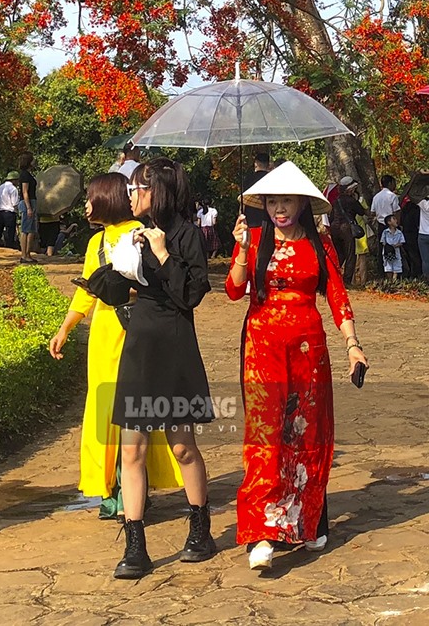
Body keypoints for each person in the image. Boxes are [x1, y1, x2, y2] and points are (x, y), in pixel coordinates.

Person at [226, 160, 369, 572]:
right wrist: (240, 251)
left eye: (287, 200)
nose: (279, 209)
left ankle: (307, 519)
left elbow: (337, 297)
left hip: (309, 347)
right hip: (262, 347)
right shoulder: (253, 238)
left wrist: (353, 346)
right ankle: (262, 532)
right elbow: (235, 291)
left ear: (303, 204)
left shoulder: (319, 245)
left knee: (306, 432)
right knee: (266, 433)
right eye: (272, 201)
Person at [49, 173, 182, 523]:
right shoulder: (96, 242)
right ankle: (108, 486)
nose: (87, 205)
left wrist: (123, 289)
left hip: (134, 329)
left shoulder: (140, 233)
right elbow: (87, 291)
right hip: (104, 333)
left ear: (108, 198)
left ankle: (132, 488)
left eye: (92, 198)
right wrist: (67, 326)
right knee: (105, 410)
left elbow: (152, 285)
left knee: (133, 412)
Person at [111, 159, 216, 577]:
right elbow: (126, 287)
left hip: (174, 341)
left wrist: (160, 252)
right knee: (131, 448)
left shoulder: (187, 235)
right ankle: (135, 545)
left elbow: (189, 295)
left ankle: (200, 528)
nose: (132, 195)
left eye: (139, 188)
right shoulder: (131, 235)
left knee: (181, 446)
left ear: (161, 191)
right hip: (139, 343)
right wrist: (114, 275)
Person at [371, 175, 400, 276]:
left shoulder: (376, 197)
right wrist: (398, 225)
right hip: (392, 226)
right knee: (395, 249)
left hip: (381, 226)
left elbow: (372, 212)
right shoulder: (392, 196)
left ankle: (382, 273)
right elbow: (396, 212)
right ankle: (395, 273)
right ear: (390, 183)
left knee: (382, 249)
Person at [17, 152, 38, 264]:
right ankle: (25, 254)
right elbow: (25, 192)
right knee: (26, 229)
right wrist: (28, 207)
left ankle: (27, 253)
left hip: (31, 202)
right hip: (27, 202)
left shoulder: (28, 174)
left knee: (31, 229)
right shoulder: (24, 175)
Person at [242, 150, 271, 229]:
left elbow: (243, 199)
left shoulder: (248, 178)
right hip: (267, 218)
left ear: (256, 163)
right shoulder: (272, 178)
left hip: (250, 217)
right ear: (268, 164)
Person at [0, 175, 19, 247]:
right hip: (9, 212)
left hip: (0, 212)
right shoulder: (13, 189)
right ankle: (9, 246)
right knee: (10, 231)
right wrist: (17, 211)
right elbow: (14, 203)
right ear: (14, 180)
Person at [399, 194, 422, 278]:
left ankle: (410, 274)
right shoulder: (416, 209)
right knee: (416, 255)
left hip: (405, 233)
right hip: (414, 233)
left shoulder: (404, 209)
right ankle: (417, 274)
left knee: (409, 255)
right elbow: (417, 223)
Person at [381, 215, 405, 282]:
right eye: (394, 219)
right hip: (387, 253)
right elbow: (383, 241)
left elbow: (402, 242)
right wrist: (389, 246)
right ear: (389, 222)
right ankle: (389, 281)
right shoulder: (385, 232)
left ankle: (394, 282)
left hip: (396, 252)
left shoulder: (399, 232)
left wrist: (396, 245)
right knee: (388, 268)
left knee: (396, 268)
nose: (396, 220)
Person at [418, 196, 429, 281]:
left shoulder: (423, 203)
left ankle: (426, 279)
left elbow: (413, 196)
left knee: (425, 260)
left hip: (423, 234)